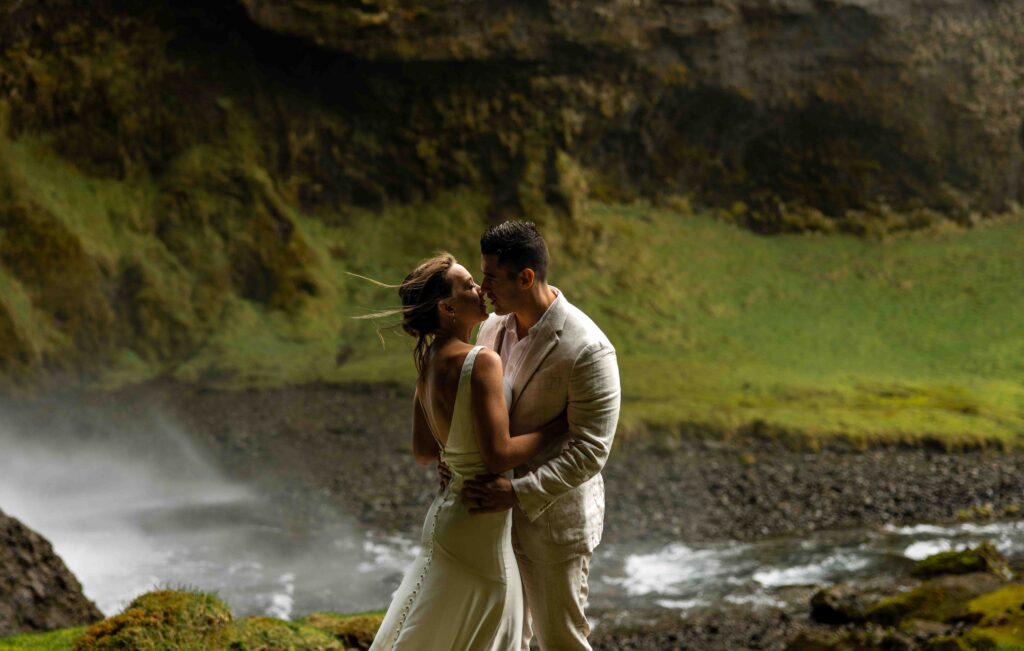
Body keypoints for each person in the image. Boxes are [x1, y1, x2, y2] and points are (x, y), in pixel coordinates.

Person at [368, 253, 563, 651]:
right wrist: (560, 427)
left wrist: (454, 460)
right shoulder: (481, 361)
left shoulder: (429, 363)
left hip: (447, 515)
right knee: (491, 633)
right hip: (480, 525)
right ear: (447, 306)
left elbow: (424, 450)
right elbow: (499, 456)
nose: (480, 290)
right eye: (468, 284)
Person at [463, 220, 621, 651]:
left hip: (554, 525)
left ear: (526, 277)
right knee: (507, 637)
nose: (483, 287)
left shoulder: (588, 350)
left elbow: (591, 450)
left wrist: (517, 492)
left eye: (491, 277)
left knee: (560, 641)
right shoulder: (492, 327)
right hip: (494, 522)